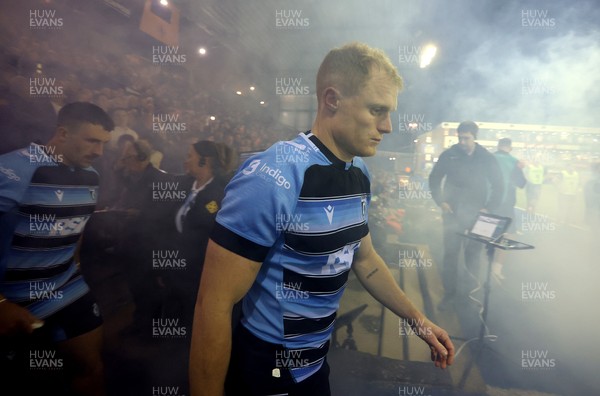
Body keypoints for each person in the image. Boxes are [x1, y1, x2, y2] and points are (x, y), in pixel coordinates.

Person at [189, 42, 454, 396]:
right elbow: (214, 304)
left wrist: (419, 322)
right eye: (377, 110)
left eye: (389, 112)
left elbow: (366, 259)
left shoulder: (359, 172)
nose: (388, 126)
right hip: (267, 365)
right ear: (332, 99)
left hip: (315, 362)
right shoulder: (272, 175)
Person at [0, 102, 114, 395]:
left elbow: (77, 226)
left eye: (104, 143)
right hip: (13, 296)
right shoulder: (14, 169)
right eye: (92, 141)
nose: (99, 152)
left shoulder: (92, 176)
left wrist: (74, 264)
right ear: (63, 134)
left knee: (91, 367)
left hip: (66, 285)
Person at [428, 121, 504, 310]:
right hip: (452, 213)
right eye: (460, 137)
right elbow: (434, 178)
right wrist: (441, 201)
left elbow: (499, 184)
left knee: (473, 255)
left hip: (478, 215)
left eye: (466, 138)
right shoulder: (450, 154)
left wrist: (488, 208)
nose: (462, 141)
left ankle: (470, 294)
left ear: (475, 137)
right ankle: (449, 295)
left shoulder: (486, 157)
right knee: (451, 255)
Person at [168, 140, 237, 330]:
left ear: (203, 162)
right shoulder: (184, 184)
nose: (185, 160)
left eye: (190, 156)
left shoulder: (221, 193)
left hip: (200, 273)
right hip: (177, 269)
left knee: (194, 320)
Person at [491, 138, 527, 281]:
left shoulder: (490, 158)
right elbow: (521, 183)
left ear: (498, 146)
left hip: (489, 204)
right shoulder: (514, 162)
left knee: (486, 234)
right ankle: (496, 269)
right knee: (509, 236)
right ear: (510, 148)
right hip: (506, 205)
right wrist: (520, 168)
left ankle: (481, 267)